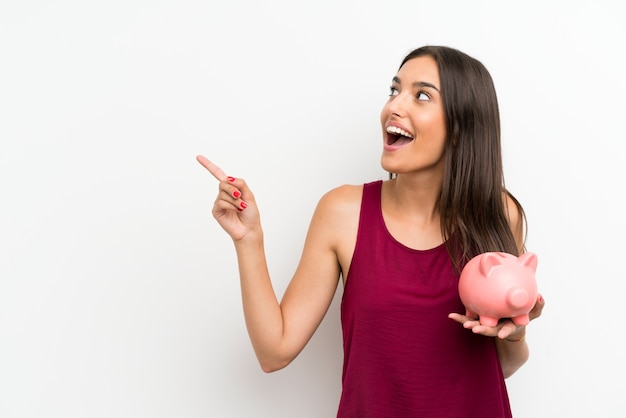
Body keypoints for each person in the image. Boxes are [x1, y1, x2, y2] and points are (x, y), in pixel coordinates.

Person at [197, 45, 545, 417]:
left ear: (461, 128)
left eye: (422, 95)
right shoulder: (342, 212)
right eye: (395, 90)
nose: (394, 107)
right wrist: (249, 240)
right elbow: (274, 351)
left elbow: (502, 365)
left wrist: (516, 330)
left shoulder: (498, 213)